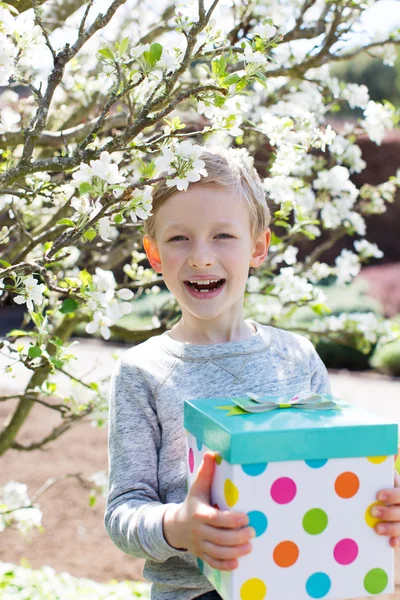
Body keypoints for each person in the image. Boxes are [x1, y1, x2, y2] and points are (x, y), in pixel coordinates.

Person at [104, 146, 400, 600]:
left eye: (223, 235)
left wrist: (379, 505)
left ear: (258, 246)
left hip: (307, 585)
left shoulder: (297, 357)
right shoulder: (143, 372)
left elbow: (332, 475)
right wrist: (178, 526)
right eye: (180, 238)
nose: (201, 257)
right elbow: (125, 510)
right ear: (155, 254)